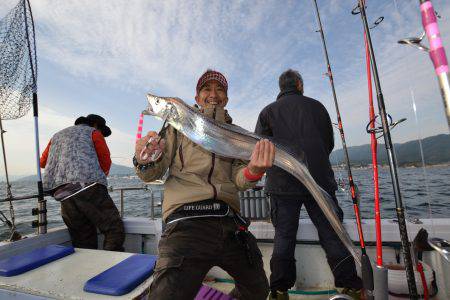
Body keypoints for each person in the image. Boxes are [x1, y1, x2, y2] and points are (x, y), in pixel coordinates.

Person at [134, 69, 273, 299]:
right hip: (186, 221)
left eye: (220, 89)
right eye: (206, 89)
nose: (213, 94)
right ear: (197, 97)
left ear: (226, 98)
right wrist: (145, 159)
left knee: (258, 290)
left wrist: (254, 171)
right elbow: (150, 174)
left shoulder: (237, 135)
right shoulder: (175, 126)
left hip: (230, 223)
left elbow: (239, 179)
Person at [255, 69, 363, 300]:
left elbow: (260, 148)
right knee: (332, 233)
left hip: (282, 183)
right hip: (319, 180)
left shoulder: (267, 112)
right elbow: (328, 143)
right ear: (299, 85)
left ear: (280, 87)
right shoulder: (318, 107)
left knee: (284, 235)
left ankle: (279, 290)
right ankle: (350, 286)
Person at [40, 114, 124, 251]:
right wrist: (99, 176)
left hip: (63, 193)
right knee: (114, 228)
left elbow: (43, 163)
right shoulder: (94, 132)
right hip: (89, 187)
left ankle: (88, 270)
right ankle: (112, 265)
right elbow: (105, 160)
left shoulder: (56, 136)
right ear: (96, 125)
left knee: (82, 238)